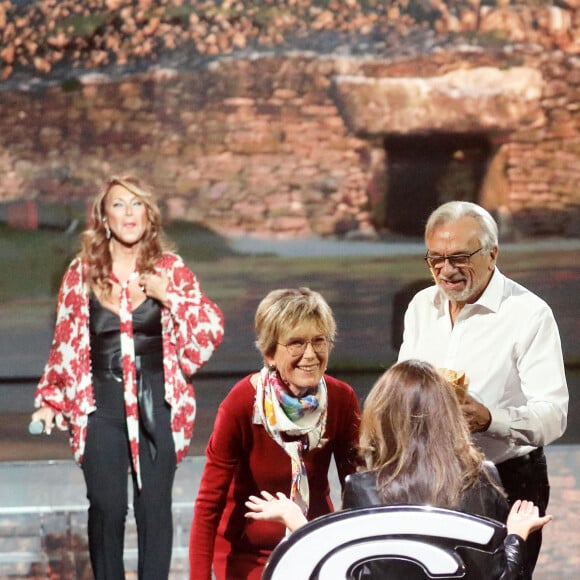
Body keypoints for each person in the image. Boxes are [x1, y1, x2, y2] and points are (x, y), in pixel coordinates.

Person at [31, 175, 224, 580]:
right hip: (99, 403)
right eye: (119, 205)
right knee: (106, 507)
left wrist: (167, 295)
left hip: (158, 401)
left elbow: (208, 333)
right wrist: (50, 398)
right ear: (104, 216)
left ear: (149, 216)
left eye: (137, 204)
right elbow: (64, 341)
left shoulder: (171, 270)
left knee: (153, 507)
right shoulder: (81, 272)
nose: (128, 213)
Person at [246, 360, 553, 579]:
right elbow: (500, 574)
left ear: (383, 417)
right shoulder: (483, 476)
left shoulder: (364, 487)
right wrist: (516, 536)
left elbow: (348, 570)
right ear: (448, 414)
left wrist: (295, 520)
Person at [397, 200, 568, 570]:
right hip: (430, 477)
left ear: (492, 254)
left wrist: (492, 419)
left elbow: (554, 416)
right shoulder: (420, 306)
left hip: (508, 481)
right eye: (435, 259)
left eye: (459, 257)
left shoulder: (529, 314)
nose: (446, 270)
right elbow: (404, 386)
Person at [189, 287, 361, 579]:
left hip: (314, 543)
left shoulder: (341, 398)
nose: (310, 354)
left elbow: (357, 489)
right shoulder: (241, 403)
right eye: (296, 343)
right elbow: (209, 505)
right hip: (249, 555)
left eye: (319, 341)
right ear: (270, 353)